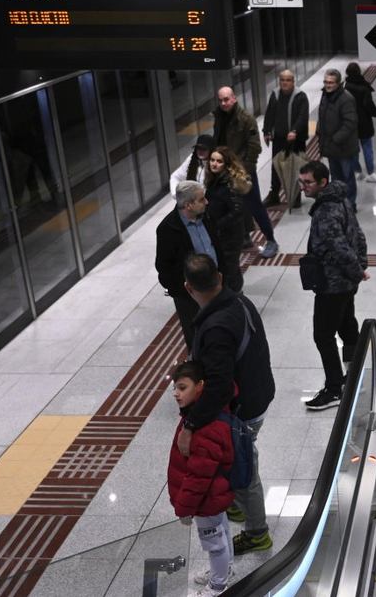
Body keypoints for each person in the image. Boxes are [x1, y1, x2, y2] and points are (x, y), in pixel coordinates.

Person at [179, 253, 275, 556]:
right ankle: (234, 505)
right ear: (219, 278)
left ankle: (257, 533)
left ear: (188, 287)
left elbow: (219, 387)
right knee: (232, 460)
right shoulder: (239, 302)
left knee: (244, 469)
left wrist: (190, 425)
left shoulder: (217, 327)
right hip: (257, 393)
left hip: (243, 408)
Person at [299, 161, 370, 411]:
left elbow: (339, 248)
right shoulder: (341, 199)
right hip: (346, 282)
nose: (303, 187)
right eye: (302, 182)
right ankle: (354, 375)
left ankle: (334, 389)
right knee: (347, 326)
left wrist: (357, 270)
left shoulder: (326, 210)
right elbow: (358, 234)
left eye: (308, 182)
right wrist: (360, 266)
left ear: (323, 182)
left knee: (323, 336)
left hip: (332, 284)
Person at [167, 361, 235, 597]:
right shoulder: (199, 414)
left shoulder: (204, 427)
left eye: (182, 387)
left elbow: (199, 476)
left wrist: (184, 508)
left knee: (214, 544)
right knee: (222, 530)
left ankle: (218, 585)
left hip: (206, 498)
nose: (176, 393)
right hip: (214, 494)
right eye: (175, 388)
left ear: (200, 386)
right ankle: (226, 570)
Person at [156, 181, 225, 349]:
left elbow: (217, 246)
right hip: (190, 297)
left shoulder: (207, 216)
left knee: (222, 331)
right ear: (188, 205)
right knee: (197, 339)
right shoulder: (167, 229)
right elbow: (163, 268)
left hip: (217, 287)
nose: (206, 202)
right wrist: (184, 292)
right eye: (201, 199)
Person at [214, 87, 278, 258]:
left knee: (254, 204)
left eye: (226, 99)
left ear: (234, 98)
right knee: (232, 204)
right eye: (220, 100)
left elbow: (254, 147)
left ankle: (271, 239)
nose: (223, 103)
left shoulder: (246, 119)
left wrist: (245, 170)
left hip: (242, 170)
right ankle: (244, 236)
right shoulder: (219, 117)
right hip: (225, 169)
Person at [204, 147, 251, 293]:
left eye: (219, 161)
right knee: (226, 267)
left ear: (227, 164)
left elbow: (237, 211)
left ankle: (235, 294)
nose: (214, 164)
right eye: (212, 160)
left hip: (230, 235)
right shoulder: (214, 180)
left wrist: (217, 225)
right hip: (220, 233)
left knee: (230, 267)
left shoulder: (230, 184)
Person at [261, 69, 309, 207]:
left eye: (288, 80)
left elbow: (302, 117)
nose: (285, 83)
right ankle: (274, 194)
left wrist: (295, 130)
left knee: (295, 167)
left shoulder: (300, 96)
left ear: (293, 81)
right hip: (279, 138)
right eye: (282, 80)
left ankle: (295, 196)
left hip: (296, 140)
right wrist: (266, 131)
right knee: (276, 167)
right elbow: (269, 113)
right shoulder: (275, 95)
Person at [316, 69, 360, 207]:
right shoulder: (325, 95)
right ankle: (339, 202)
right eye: (325, 82)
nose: (327, 85)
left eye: (331, 82)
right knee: (335, 177)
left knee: (347, 176)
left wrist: (336, 139)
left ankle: (350, 204)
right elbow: (322, 116)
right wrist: (318, 131)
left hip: (344, 147)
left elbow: (350, 122)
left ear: (338, 83)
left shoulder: (346, 98)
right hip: (331, 146)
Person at [345, 62, 376, 182]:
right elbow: (368, 105)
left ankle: (357, 171)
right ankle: (371, 172)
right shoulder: (364, 87)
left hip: (351, 123)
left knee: (354, 149)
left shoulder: (345, 87)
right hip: (364, 122)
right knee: (367, 148)